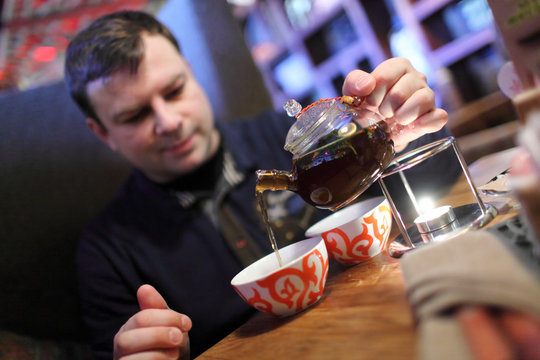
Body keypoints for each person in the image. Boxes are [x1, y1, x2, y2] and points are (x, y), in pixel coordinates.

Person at [64, 10, 460, 360]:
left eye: (174, 90)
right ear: (103, 134)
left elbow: (440, 181)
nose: (168, 121)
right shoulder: (108, 250)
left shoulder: (287, 139)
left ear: (193, 75)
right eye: (134, 115)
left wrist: (405, 133)